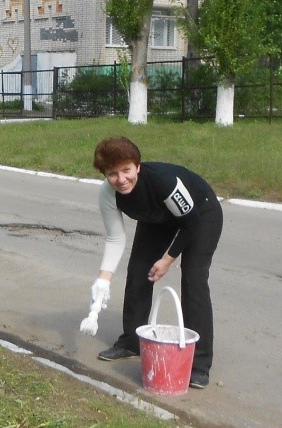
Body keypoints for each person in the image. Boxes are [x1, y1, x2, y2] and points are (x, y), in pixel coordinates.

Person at [90, 136, 223, 389]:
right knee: (139, 272)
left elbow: (191, 223)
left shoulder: (163, 181)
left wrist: (167, 260)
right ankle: (131, 342)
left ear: (137, 167)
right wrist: (103, 280)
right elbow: (115, 238)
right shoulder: (108, 193)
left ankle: (199, 364)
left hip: (200, 214)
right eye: (112, 174)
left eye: (127, 170)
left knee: (194, 278)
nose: (121, 179)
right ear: (104, 174)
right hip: (158, 219)